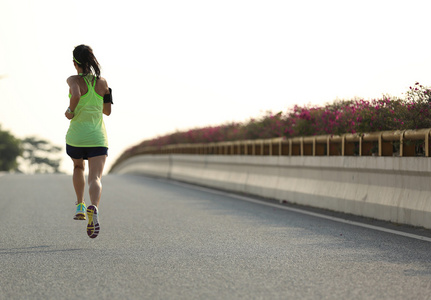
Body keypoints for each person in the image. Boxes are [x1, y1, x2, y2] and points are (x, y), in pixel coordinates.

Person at [65, 44, 113, 239]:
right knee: (95, 178)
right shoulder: (102, 82)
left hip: (77, 136)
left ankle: (80, 205)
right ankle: (94, 206)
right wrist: (100, 98)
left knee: (78, 168)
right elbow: (107, 111)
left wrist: (70, 111)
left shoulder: (73, 79)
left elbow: (76, 94)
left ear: (75, 63)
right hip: (97, 137)